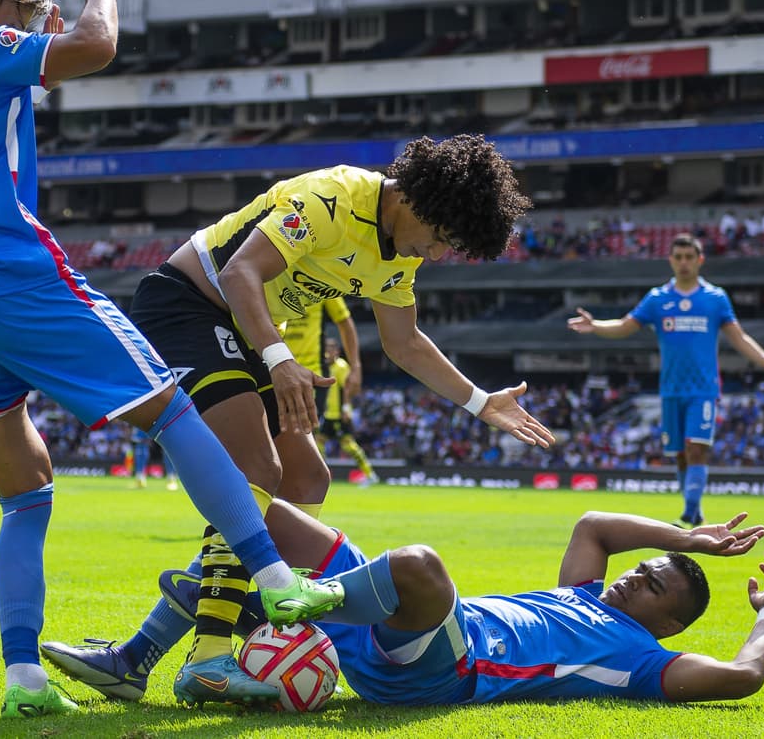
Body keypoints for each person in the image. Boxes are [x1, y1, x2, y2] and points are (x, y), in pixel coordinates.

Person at [0, 0, 343, 717]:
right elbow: (96, 43)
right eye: (24, 17)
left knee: (25, 495)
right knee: (171, 407)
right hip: (13, 276)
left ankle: (23, 681)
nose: (28, 32)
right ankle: (277, 583)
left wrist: (33, 25)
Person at [41, 134, 554, 706]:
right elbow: (239, 274)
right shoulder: (334, 196)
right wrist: (280, 359)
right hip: (188, 304)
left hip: (250, 331)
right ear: (416, 200)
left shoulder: (397, 255)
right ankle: (208, 659)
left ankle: (142, 651)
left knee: (307, 477)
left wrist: (481, 402)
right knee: (257, 465)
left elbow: (404, 343)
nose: (434, 254)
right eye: (438, 239)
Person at [61, 502, 764, 705]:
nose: (633, 579)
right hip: (391, 620)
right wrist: (689, 536)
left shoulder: (641, 660)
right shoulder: (584, 593)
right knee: (254, 505)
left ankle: (291, 608)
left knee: (422, 565)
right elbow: (594, 525)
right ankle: (135, 659)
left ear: (670, 621)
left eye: (652, 584)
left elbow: (744, 678)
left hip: (441, 668)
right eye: (642, 570)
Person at [567, 233, 764, 526]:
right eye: (678, 257)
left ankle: (691, 510)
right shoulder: (657, 298)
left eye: (689, 257)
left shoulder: (715, 298)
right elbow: (626, 326)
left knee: (696, 449)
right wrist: (596, 326)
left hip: (703, 389)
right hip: (670, 390)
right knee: (678, 454)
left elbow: (738, 338)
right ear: (671, 260)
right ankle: (692, 505)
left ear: (699, 260)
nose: (684, 263)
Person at [276, 295, 363, 508]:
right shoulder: (273, 276)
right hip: (276, 371)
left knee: (300, 442)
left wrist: (356, 366)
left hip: (311, 378)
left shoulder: (322, 280)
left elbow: (345, 321)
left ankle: (291, 512)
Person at [319, 336, 376, 484]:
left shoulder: (341, 366)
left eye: (330, 350)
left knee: (348, 445)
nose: (327, 353)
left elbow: (347, 389)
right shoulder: (325, 367)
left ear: (336, 351)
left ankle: (370, 475)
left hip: (339, 413)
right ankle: (322, 476)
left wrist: (345, 408)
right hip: (328, 414)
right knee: (319, 442)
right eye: (326, 349)